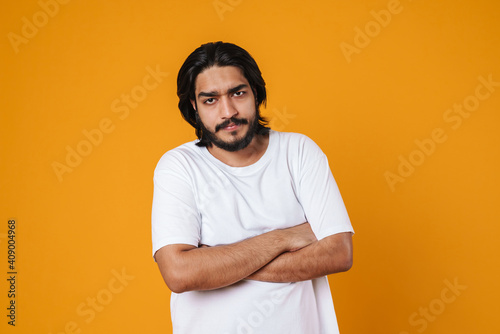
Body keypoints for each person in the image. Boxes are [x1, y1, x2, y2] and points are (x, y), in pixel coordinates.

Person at [151, 41, 354, 334]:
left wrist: (216, 265)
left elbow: (339, 253)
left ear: (255, 91)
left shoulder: (298, 152)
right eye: (210, 100)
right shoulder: (179, 166)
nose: (228, 112)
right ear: (194, 106)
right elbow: (180, 274)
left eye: (238, 93)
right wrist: (285, 238)